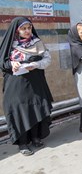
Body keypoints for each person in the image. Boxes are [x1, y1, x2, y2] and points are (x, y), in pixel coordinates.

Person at [0, 17, 53, 156]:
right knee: (19, 112)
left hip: (35, 83)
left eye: (29, 28)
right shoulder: (10, 45)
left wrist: (35, 64)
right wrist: (12, 64)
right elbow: (2, 63)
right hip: (16, 85)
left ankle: (35, 138)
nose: (27, 31)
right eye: (24, 28)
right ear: (17, 30)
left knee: (35, 108)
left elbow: (47, 59)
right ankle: (22, 143)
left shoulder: (37, 43)